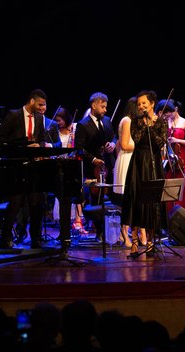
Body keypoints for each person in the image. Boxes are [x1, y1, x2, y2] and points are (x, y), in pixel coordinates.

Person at [0, 89, 53, 249]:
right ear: (32, 101)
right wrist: (23, 146)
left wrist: (39, 145)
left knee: (36, 204)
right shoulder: (14, 115)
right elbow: (0, 139)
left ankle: (36, 239)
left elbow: (42, 140)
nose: (42, 108)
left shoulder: (40, 118)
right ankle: (5, 239)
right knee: (14, 204)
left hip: (34, 168)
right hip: (16, 167)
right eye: (40, 104)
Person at [121, 90, 167, 255]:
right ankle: (134, 241)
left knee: (152, 202)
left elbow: (160, 142)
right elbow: (138, 139)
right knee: (135, 199)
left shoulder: (161, 122)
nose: (141, 106)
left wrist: (153, 124)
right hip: (139, 162)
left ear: (152, 103)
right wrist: (147, 123)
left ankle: (150, 242)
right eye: (139, 104)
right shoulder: (135, 121)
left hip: (153, 163)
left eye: (144, 103)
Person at [74, 92, 117, 242]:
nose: (105, 110)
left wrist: (112, 145)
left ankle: (113, 232)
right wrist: (93, 159)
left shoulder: (106, 121)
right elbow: (79, 148)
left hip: (108, 165)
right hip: (93, 168)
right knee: (96, 200)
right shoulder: (83, 124)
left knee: (112, 197)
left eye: (106, 107)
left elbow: (113, 137)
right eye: (103, 106)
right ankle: (99, 232)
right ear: (94, 106)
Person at [50, 107, 87, 235]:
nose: (58, 123)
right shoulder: (55, 131)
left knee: (77, 192)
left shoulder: (75, 128)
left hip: (72, 165)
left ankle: (78, 221)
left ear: (66, 119)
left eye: (59, 120)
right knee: (62, 195)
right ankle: (64, 224)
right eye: (56, 120)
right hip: (60, 165)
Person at [158, 99, 185, 215]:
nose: (168, 115)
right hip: (169, 157)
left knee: (182, 183)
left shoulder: (184, 122)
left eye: (170, 112)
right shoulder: (166, 122)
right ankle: (170, 213)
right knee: (170, 182)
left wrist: (177, 140)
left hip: (182, 156)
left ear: (176, 109)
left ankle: (184, 212)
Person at [114, 97, 138, 248]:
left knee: (132, 200)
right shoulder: (127, 120)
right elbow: (124, 144)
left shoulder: (128, 120)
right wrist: (142, 145)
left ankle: (130, 232)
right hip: (128, 158)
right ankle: (123, 232)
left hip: (130, 158)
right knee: (126, 201)